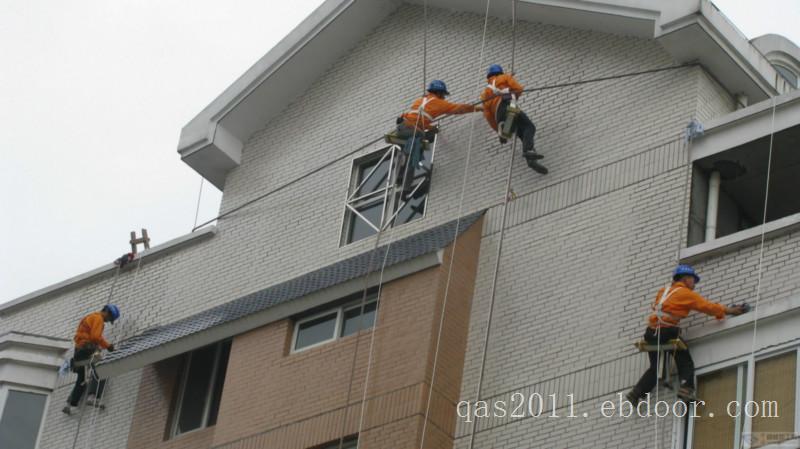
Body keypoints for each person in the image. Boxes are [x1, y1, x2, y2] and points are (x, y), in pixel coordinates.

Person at [626, 265, 745, 403]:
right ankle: (686, 389)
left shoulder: (664, 291)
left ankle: (636, 393)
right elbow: (708, 307)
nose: (694, 284)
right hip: (666, 331)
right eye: (693, 280)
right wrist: (729, 311)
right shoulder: (686, 294)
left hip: (651, 333)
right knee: (685, 360)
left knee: (655, 367)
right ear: (686, 278)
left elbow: (659, 307)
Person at [397, 80, 481, 196]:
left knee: (404, 151)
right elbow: (459, 108)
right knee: (414, 156)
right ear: (439, 93)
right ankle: (406, 188)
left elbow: (416, 119)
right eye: (443, 95)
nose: (444, 98)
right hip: (414, 131)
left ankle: (399, 176)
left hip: (402, 127)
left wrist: (431, 128)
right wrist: (478, 108)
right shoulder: (439, 103)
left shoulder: (420, 100)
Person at [480, 64, 547, 174]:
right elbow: (518, 89)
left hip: (498, 115)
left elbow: (488, 116)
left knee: (522, 131)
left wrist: (497, 129)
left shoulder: (484, 94)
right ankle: (528, 150)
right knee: (529, 127)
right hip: (509, 105)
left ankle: (530, 159)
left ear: (489, 76)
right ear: (500, 72)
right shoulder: (505, 77)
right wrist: (514, 95)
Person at [62, 304, 120, 415]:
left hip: (79, 351)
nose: (108, 321)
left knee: (82, 379)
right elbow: (95, 337)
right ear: (107, 312)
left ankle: (69, 404)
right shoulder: (98, 318)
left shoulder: (90, 317)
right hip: (87, 348)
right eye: (110, 318)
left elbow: (89, 335)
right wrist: (108, 346)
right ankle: (93, 396)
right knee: (102, 368)